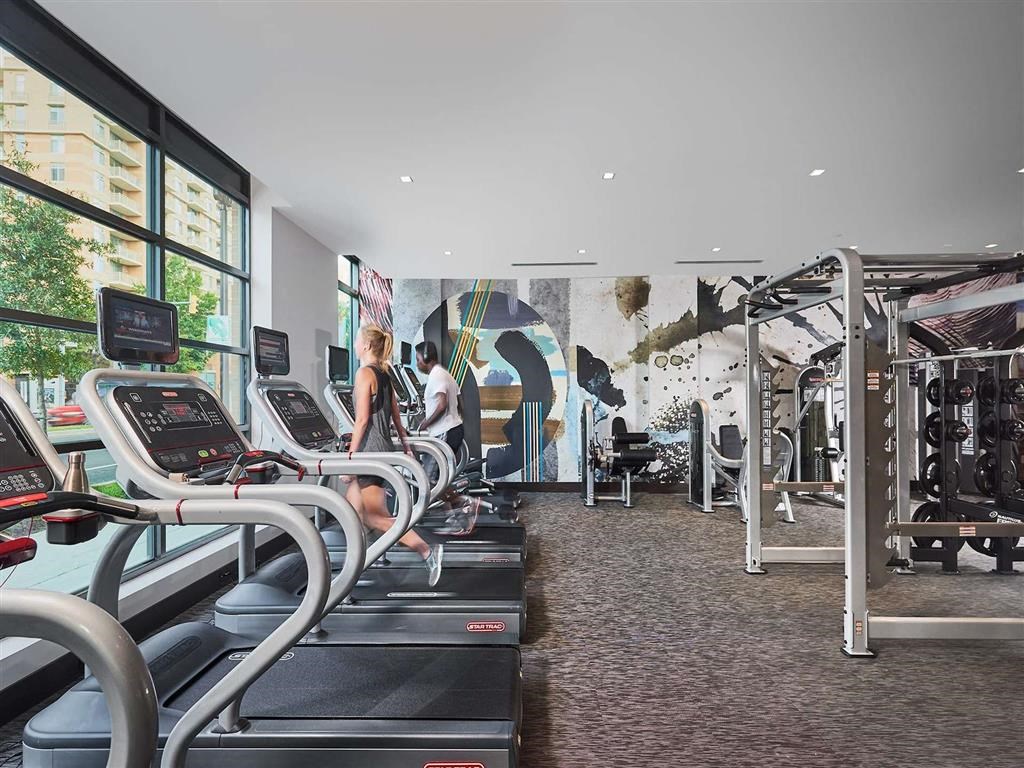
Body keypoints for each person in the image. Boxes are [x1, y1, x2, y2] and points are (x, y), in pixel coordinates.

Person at [347, 324, 443, 586]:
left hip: (370, 453)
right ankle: (357, 568)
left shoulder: (365, 373)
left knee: (372, 516)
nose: (355, 344)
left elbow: (363, 420)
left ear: (366, 345)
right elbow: (396, 415)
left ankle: (426, 550)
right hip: (383, 449)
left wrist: (349, 458)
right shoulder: (385, 374)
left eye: (357, 340)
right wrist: (405, 444)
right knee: (353, 509)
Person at [415, 340, 480, 530]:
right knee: (438, 477)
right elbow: (458, 403)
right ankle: (451, 516)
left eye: (418, 359)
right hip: (452, 429)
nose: (417, 363)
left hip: (444, 432)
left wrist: (426, 423)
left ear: (426, 358)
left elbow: (442, 404)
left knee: (429, 478)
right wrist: (453, 419)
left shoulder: (437, 376)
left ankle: (461, 502)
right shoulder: (445, 374)